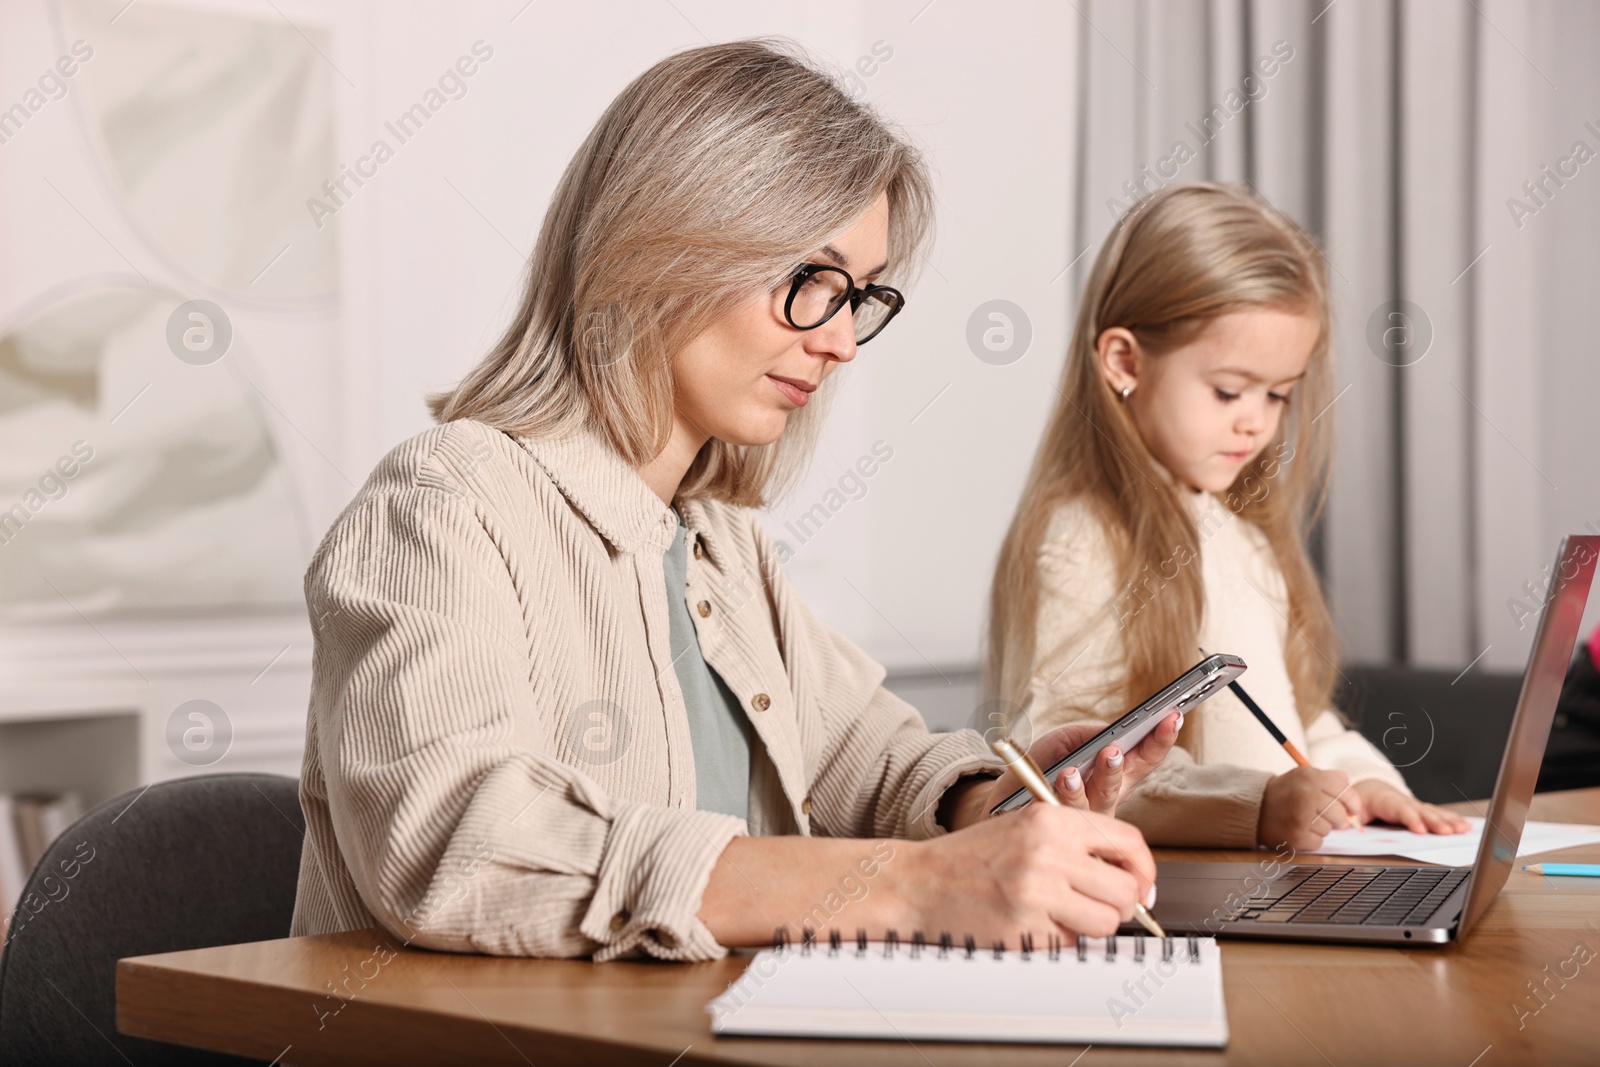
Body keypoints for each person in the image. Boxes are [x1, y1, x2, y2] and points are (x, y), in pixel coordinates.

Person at [290, 40, 1183, 962]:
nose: (840, 343)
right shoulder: (444, 502)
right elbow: (458, 844)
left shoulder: (720, 544)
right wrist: (917, 887)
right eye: (810, 282)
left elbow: (866, 758)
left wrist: (995, 805)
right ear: (661, 250)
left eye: (860, 297)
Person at [986, 183, 1470, 851]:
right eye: (1228, 390)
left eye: (1277, 395)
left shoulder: (1241, 535)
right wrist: (1257, 806)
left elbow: (1292, 716)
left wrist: (1360, 778)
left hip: (1278, 877)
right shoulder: (1087, 538)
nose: (1256, 421)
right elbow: (1084, 768)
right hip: (1184, 898)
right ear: (1124, 362)